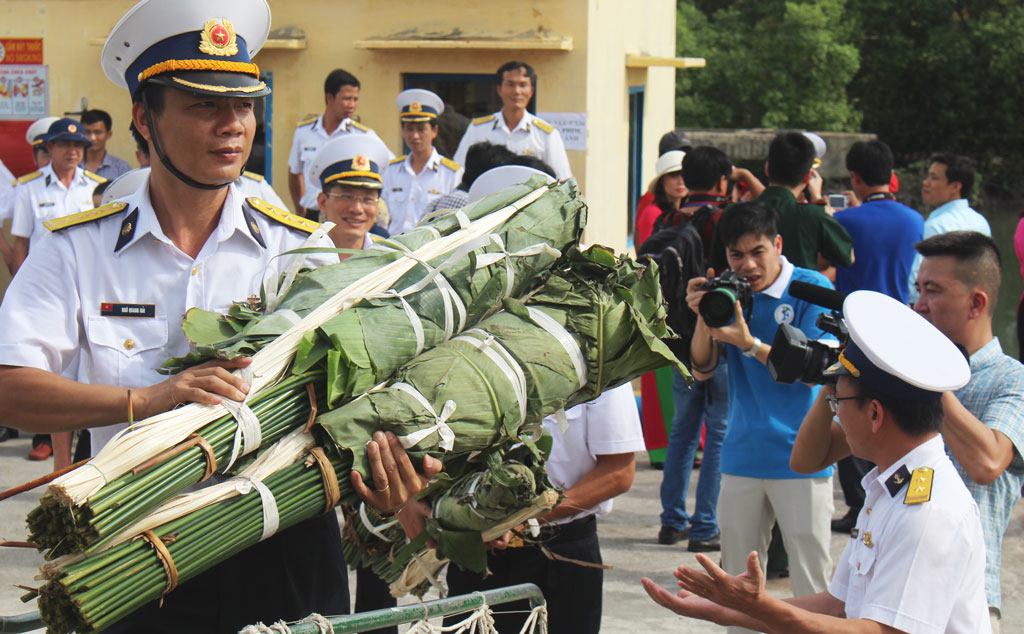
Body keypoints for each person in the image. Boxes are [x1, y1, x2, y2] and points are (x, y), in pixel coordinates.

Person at [0, 2, 434, 631]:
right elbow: (9, 388)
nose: (232, 126)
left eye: (243, 105)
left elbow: (358, 404)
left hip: (283, 555)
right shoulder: (75, 249)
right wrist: (146, 401)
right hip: (132, 562)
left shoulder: (301, 249)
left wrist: (392, 482)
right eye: (204, 105)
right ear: (142, 119)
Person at [646, 290, 989, 634]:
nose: (835, 410)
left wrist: (758, 606)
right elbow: (837, 606)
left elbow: (885, 631)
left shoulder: (926, 512)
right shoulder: (889, 489)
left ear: (874, 413)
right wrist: (727, 610)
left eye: (838, 401)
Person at [684, 200, 836, 633]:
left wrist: (749, 342)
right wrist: (704, 314)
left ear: (779, 245)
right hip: (742, 456)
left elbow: (815, 373)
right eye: (736, 254)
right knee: (736, 584)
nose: (747, 264)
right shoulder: (730, 293)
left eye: (758, 251)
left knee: (811, 579)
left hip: (803, 456)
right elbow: (701, 368)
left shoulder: (808, 289)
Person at [446, 378, 643, 634]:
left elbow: (617, 474)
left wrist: (525, 518)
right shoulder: (467, 354)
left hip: (560, 557)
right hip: (476, 553)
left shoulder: (597, 365)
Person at [912, 231, 1024, 632]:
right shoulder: (905, 375)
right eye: (918, 289)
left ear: (977, 303)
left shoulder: (1013, 379)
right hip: (895, 587)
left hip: (968, 597)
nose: (919, 305)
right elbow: (812, 457)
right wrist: (842, 372)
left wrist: (927, 376)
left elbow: (988, 461)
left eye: (934, 291)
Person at [828, 139, 924, 532]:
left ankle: (857, 502)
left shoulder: (846, 221)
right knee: (891, 414)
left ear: (855, 177)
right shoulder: (915, 220)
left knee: (847, 411)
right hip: (900, 329)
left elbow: (826, 262)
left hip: (854, 331)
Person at [656, 146, 735, 552]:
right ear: (724, 182)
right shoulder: (725, 221)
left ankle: (672, 520)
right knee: (718, 432)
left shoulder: (668, 219)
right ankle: (706, 526)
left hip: (676, 342)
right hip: (719, 338)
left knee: (682, 432)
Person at [287, 68, 391, 220]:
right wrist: (300, 208)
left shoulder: (362, 135)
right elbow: (294, 173)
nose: (352, 105)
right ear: (330, 98)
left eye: (356, 99)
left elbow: (389, 166)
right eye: (347, 98)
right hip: (312, 214)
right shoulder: (304, 132)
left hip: (344, 216)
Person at [10, 117, 106, 275]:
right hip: (43, 275)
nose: (72, 151)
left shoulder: (95, 186)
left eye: (77, 145)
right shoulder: (29, 187)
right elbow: (21, 242)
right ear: (50, 147)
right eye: (65, 145)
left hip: (85, 274)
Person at [750, 131, 853, 274]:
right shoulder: (814, 215)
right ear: (808, 177)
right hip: (799, 295)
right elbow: (847, 256)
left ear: (767, 169)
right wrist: (818, 198)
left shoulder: (734, 212)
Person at [452, 61, 571, 180]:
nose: (517, 91)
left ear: (531, 91)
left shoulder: (546, 134)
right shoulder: (478, 129)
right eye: (510, 84)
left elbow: (562, 179)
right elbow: (459, 171)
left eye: (523, 85)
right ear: (499, 90)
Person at [908, 153, 990, 303]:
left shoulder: (936, 225)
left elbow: (917, 277)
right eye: (928, 177)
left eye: (934, 178)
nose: (926, 183)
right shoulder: (980, 221)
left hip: (937, 308)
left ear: (955, 187)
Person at [382, 88, 463, 235]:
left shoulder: (452, 173)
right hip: (392, 249)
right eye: (409, 129)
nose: (415, 135)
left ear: (434, 131)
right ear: (403, 131)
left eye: (421, 129)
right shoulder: (390, 170)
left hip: (429, 251)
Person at [635, 149, 686, 246]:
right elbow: (647, 256)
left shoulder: (688, 211)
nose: (681, 181)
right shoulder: (652, 212)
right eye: (674, 175)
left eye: (684, 174)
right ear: (662, 181)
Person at [81, 109, 132, 180]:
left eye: (98, 132)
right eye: (87, 132)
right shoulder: (73, 165)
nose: (92, 138)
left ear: (109, 134)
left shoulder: (121, 168)